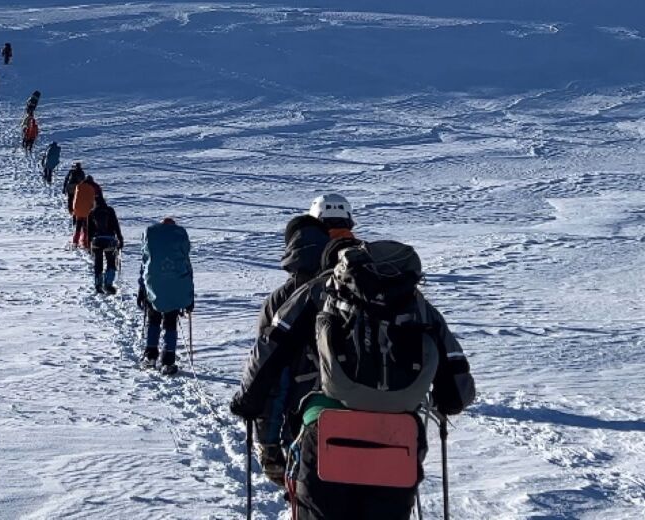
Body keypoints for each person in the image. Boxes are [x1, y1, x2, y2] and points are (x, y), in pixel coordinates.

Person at [229, 240, 476, 520]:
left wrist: (248, 401)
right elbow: (457, 392)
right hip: (397, 439)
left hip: (326, 429)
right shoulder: (418, 305)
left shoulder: (318, 292)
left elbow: (271, 347)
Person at [255, 193, 358, 483]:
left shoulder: (286, 297)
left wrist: (269, 443)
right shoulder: (376, 277)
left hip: (308, 422)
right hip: (382, 423)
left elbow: (272, 370)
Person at [137, 218, 195, 375]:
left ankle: (150, 355)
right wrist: (190, 296)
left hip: (153, 285)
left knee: (153, 319)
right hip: (176, 286)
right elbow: (187, 268)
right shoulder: (180, 237)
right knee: (170, 322)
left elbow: (144, 265)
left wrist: (141, 289)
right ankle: (168, 360)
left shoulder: (151, 236)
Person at [86, 189, 123, 294]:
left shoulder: (92, 212)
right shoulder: (110, 210)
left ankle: (98, 284)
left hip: (97, 241)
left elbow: (89, 231)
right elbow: (116, 225)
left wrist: (89, 243)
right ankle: (108, 283)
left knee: (98, 263)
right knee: (111, 262)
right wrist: (120, 238)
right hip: (110, 240)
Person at [69, 174, 100, 249]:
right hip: (88, 212)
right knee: (87, 228)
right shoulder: (93, 187)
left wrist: (74, 210)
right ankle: (85, 243)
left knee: (78, 227)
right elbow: (96, 199)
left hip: (79, 211)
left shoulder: (79, 186)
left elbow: (75, 199)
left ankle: (75, 242)